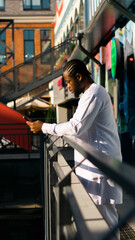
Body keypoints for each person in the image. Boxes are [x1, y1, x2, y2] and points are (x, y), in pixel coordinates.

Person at [26, 59, 122, 240]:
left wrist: (45, 127)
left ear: (79, 77)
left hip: (100, 167)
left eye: (69, 82)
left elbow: (76, 127)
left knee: (106, 220)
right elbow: (77, 129)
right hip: (97, 166)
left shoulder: (94, 93)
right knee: (104, 220)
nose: (67, 87)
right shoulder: (90, 95)